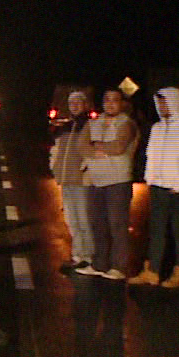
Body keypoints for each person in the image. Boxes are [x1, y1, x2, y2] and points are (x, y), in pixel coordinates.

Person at [130, 86, 179, 289]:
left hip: (178, 191)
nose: (162, 106)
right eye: (159, 102)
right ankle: (152, 271)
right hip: (158, 187)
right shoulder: (157, 129)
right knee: (156, 230)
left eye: (165, 102)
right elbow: (151, 155)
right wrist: (149, 178)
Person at [81, 88, 139, 281]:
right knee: (98, 224)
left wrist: (96, 145)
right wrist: (98, 148)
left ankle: (118, 266)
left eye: (115, 100)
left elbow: (119, 146)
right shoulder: (93, 123)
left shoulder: (127, 124)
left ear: (122, 103)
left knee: (117, 224)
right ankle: (99, 263)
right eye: (107, 100)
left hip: (118, 181)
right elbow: (81, 145)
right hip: (96, 181)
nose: (111, 103)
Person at [48, 89, 96, 274]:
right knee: (71, 220)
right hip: (67, 180)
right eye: (71, 103)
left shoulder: (90, 126)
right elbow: (57, 151)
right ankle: (78, 255)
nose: (75, 106)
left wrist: (87, 170)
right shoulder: (66, 127)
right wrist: (56, 170)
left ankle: (89, 256)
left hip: (82, 181)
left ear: (85, 105)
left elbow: (93, 153)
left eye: (78, 102)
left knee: (84, 219)